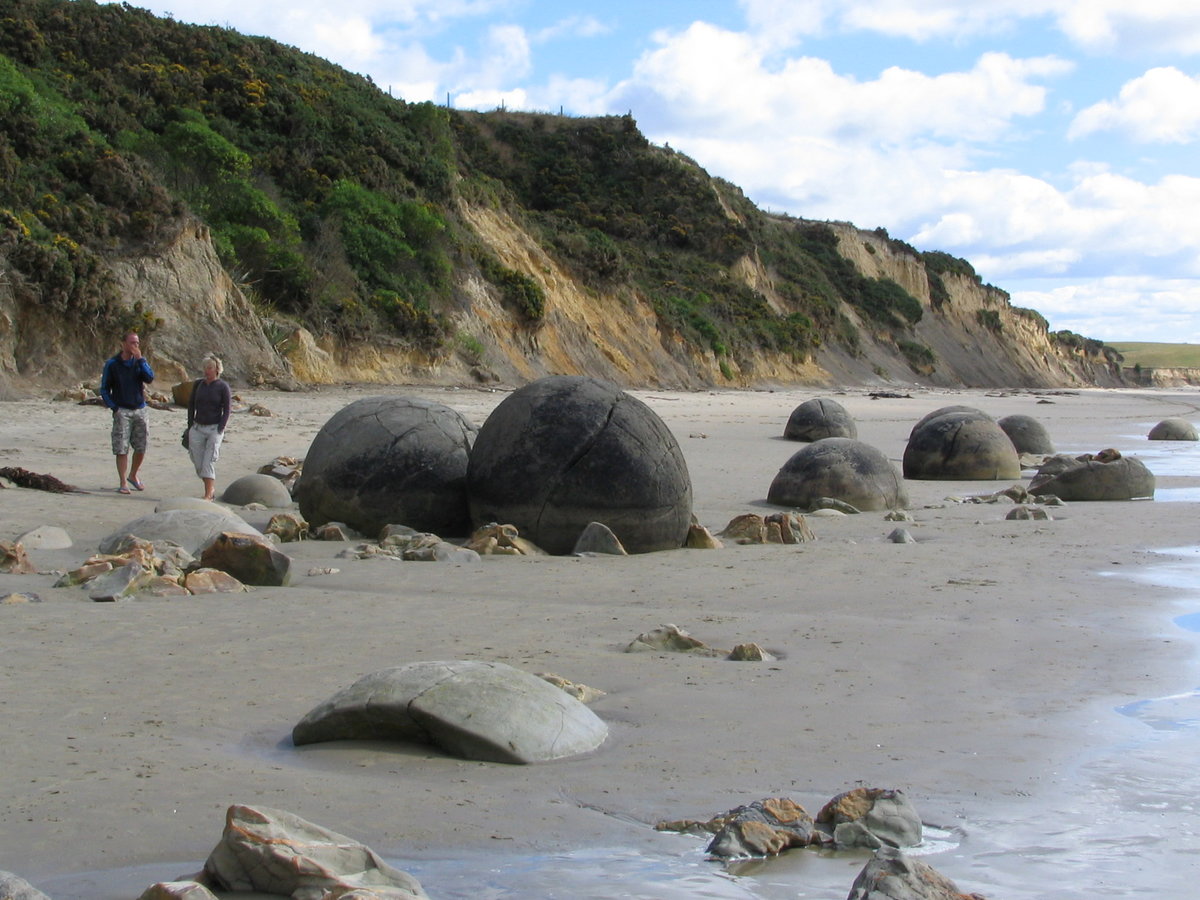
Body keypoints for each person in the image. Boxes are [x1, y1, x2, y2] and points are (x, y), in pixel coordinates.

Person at [100, 330, 155, 494]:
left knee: (141, 446)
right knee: (121, 448)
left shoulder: (140, 362)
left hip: (140, 409)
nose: (135, 346)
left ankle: (133, 475)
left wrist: (141, 360)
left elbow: (150, 378)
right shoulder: (112, 364)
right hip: (122, 410)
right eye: (132, 343)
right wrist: (114, 407)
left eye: (137, 343)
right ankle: (123, 482)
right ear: (123, 344)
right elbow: (104, 389)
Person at [186, 354, 232, 501]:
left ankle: (208, 493)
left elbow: (227, 409)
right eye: (205, 368)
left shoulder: (223, 386)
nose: (207, 371)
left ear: (217, 369)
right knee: (197, 461)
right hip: (197, 427)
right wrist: (190, 425)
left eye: (210, 368)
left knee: (209, 460)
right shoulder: (198, 384)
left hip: (214, 428)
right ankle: (210, 488)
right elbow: (191, 404)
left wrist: (221, 427)